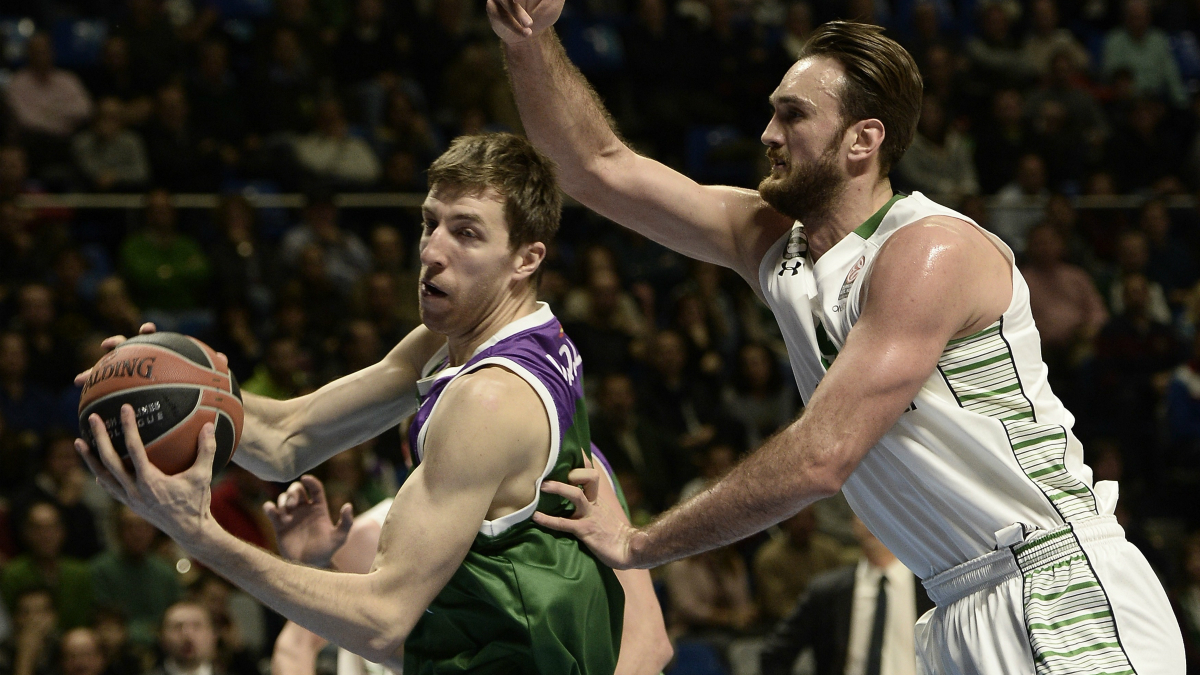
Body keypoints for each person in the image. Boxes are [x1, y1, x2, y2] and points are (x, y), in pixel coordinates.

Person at [487, 7, 1184, 672]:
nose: (767, 133)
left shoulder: (928, 250)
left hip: (1054, 582)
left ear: (863, 139)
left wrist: (641, 542)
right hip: (953, 598)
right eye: (772, 111)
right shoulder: (771, 243)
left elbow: (820, 458)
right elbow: (595, 167)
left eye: (793, 115)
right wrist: (530, 37)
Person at [75, 133, 667, 674]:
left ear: (526, 259)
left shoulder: (489, 399)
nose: (433, 251)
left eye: (466, 233)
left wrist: (199, 535)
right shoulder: (471, 336)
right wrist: (168, 381)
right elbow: (289, 438)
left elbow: (384, 622)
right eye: (429, 223)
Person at [268, 463, 670, 675]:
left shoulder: (568, 484)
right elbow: (295, 647)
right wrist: (319, 567)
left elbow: (650, 646)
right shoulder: (376, 532)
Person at [759, 518, 934, 675]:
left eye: (879, 509)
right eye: (863, 510)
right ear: (854, 523)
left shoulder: (933, 590)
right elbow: (775, 654)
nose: (872, 519)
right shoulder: (827, 591)